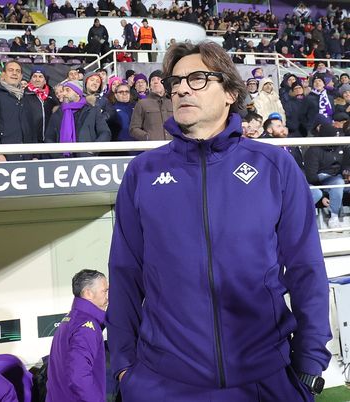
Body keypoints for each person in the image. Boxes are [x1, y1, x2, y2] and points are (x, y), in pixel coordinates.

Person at [110, 41, 331, 401]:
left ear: (230, 92)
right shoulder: (142, 172)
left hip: (264, 380)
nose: (181, 88)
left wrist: (308, 364)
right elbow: (124, 273)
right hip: (162, 383)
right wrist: (123, 367)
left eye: (197, 78)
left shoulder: (274, 166)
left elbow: (306, 268)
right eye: (175, 81)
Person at [46, 269, 108, 401]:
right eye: (104, 291)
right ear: (88, 293)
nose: (107, 297)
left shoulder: (69, 320)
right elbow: (79, 375)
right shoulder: (86, 327)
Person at [0, 61, 35, 162]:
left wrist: (35, 154)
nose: (14, 73)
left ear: (21, 76)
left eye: (18, 71)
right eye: (11, 70)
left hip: (26, 157)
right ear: (3, 75)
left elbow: (31, 127)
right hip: (3, 158)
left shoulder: (26, 97)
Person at [44, 80, 111, 158]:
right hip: (64, 162)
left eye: (67, 90)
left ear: (77, 93)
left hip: (87, 160)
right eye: (63, 90)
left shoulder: (92, 111)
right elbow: (49, 138)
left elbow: (105, 132)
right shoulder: (57, 113)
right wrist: (57, 155)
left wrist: (93, 150)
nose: (64, 93)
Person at [304, 118, 347, 229]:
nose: (337, 139)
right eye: (334, 137)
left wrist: (346, 172)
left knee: (339, 181)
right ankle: (334, 217)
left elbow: (345, 164)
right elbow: (311, 177)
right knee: (338, 182)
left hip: (338, 177)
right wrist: (323, 195)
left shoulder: (340, 146)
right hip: (319, 179)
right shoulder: (313, 150)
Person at [129, 70, 173, 141]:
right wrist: (147, 137)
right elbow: (133, 129)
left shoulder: (172, 102)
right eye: (152, 80)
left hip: (173, 147)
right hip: (153, 148)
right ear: (150, 85)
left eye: (159, 79)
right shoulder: (142, 104)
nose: (155, 82)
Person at [24, 68, 58, 144]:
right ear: (30, 80)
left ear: (45, 81)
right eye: (34, 76)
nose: (37, 79)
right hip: (31, 141)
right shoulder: (24, 95)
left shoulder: (52, 96)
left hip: (49, 141)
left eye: (40, 76)